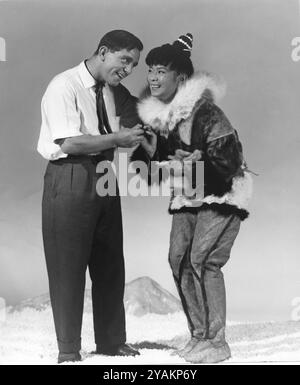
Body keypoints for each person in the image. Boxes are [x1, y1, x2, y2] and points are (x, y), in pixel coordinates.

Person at [132, 33, 253, 363]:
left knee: (203, 259)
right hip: (187, 195)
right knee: (178, 259)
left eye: (161, 71)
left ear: (180, 78)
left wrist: (194, 161)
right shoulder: (159, 119)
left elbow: (228, 161)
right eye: (151, 71)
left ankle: (218, 340)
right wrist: (153, 156)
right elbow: (142, 167)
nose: (153, 78)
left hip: (220, 193)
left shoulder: (208, 113)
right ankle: (199, 336)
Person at [37, 30, 145, 364]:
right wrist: (117, 137)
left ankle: (112, 343)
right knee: (68, 267)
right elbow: (68, 142)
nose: (127, 69)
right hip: (69, 175)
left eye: (134, 64)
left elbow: (142, 117)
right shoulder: (63, 86)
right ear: (103, 52)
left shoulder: (116, 91)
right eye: (124, 60)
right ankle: (68, 349)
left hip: (104, 177)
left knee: (111, 263)